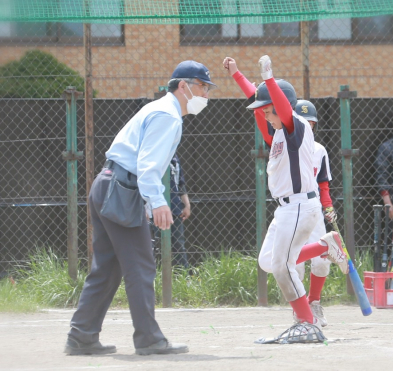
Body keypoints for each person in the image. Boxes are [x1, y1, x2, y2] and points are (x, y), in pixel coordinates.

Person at [65, 60, 215, 356]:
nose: (206, 94)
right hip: (122, 188)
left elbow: (143, 163)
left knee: (107, 267)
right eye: (202, 86)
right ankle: (148, 339)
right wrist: (158, 202)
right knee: (141, 266)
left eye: (208, 88)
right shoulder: (167, 115)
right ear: (183, 86)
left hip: (108, 184)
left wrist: (148, 201)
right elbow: (148, 164)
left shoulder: (161, 110)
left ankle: (81, 336)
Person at [223, 55, 348, 340]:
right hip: (285, 211)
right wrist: (237, 75)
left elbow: (279, 106)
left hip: (301, 206)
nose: (265, 116)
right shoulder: (278, 134)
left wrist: (269, 76)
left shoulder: (296, 128)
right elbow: (258, 101)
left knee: (283, 266)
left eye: (269, 111)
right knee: (268, 261)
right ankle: (323, 246)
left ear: (283, 108)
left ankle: (306, 321)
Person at [293, 100, 337, 327]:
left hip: (314, 209)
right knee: (295, 263)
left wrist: (328, 207)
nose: (307, 126)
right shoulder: (287, 146)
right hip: (291, 210)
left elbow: (323, 184)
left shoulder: (319, 150)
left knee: (321, 261)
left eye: (310, 122)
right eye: (302, 122)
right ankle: (299, 309)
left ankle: (315, 302)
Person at [152, 154, 191, 268]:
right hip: (154, 209)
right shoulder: (151, 153)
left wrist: (187, 205)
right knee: (151, 244)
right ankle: (151, 276)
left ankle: (184, 275)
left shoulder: (174, 158)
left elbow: (180, 182)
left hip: (175, 208)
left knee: (179, 245)